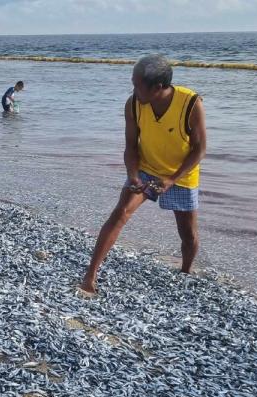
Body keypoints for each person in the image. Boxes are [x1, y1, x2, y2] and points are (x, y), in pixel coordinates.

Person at [78, 55, 207, 296]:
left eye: (137, 84)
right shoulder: (134, 104)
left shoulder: (190, 103)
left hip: (180, 175)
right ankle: (90, 275)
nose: (133, 89)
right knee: (120, 213)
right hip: (146, 169)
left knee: (187, 233)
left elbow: (199, 150)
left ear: (157, 87)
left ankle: (186, 272)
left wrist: (172, 179)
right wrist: (133, 175)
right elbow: (130, 146)